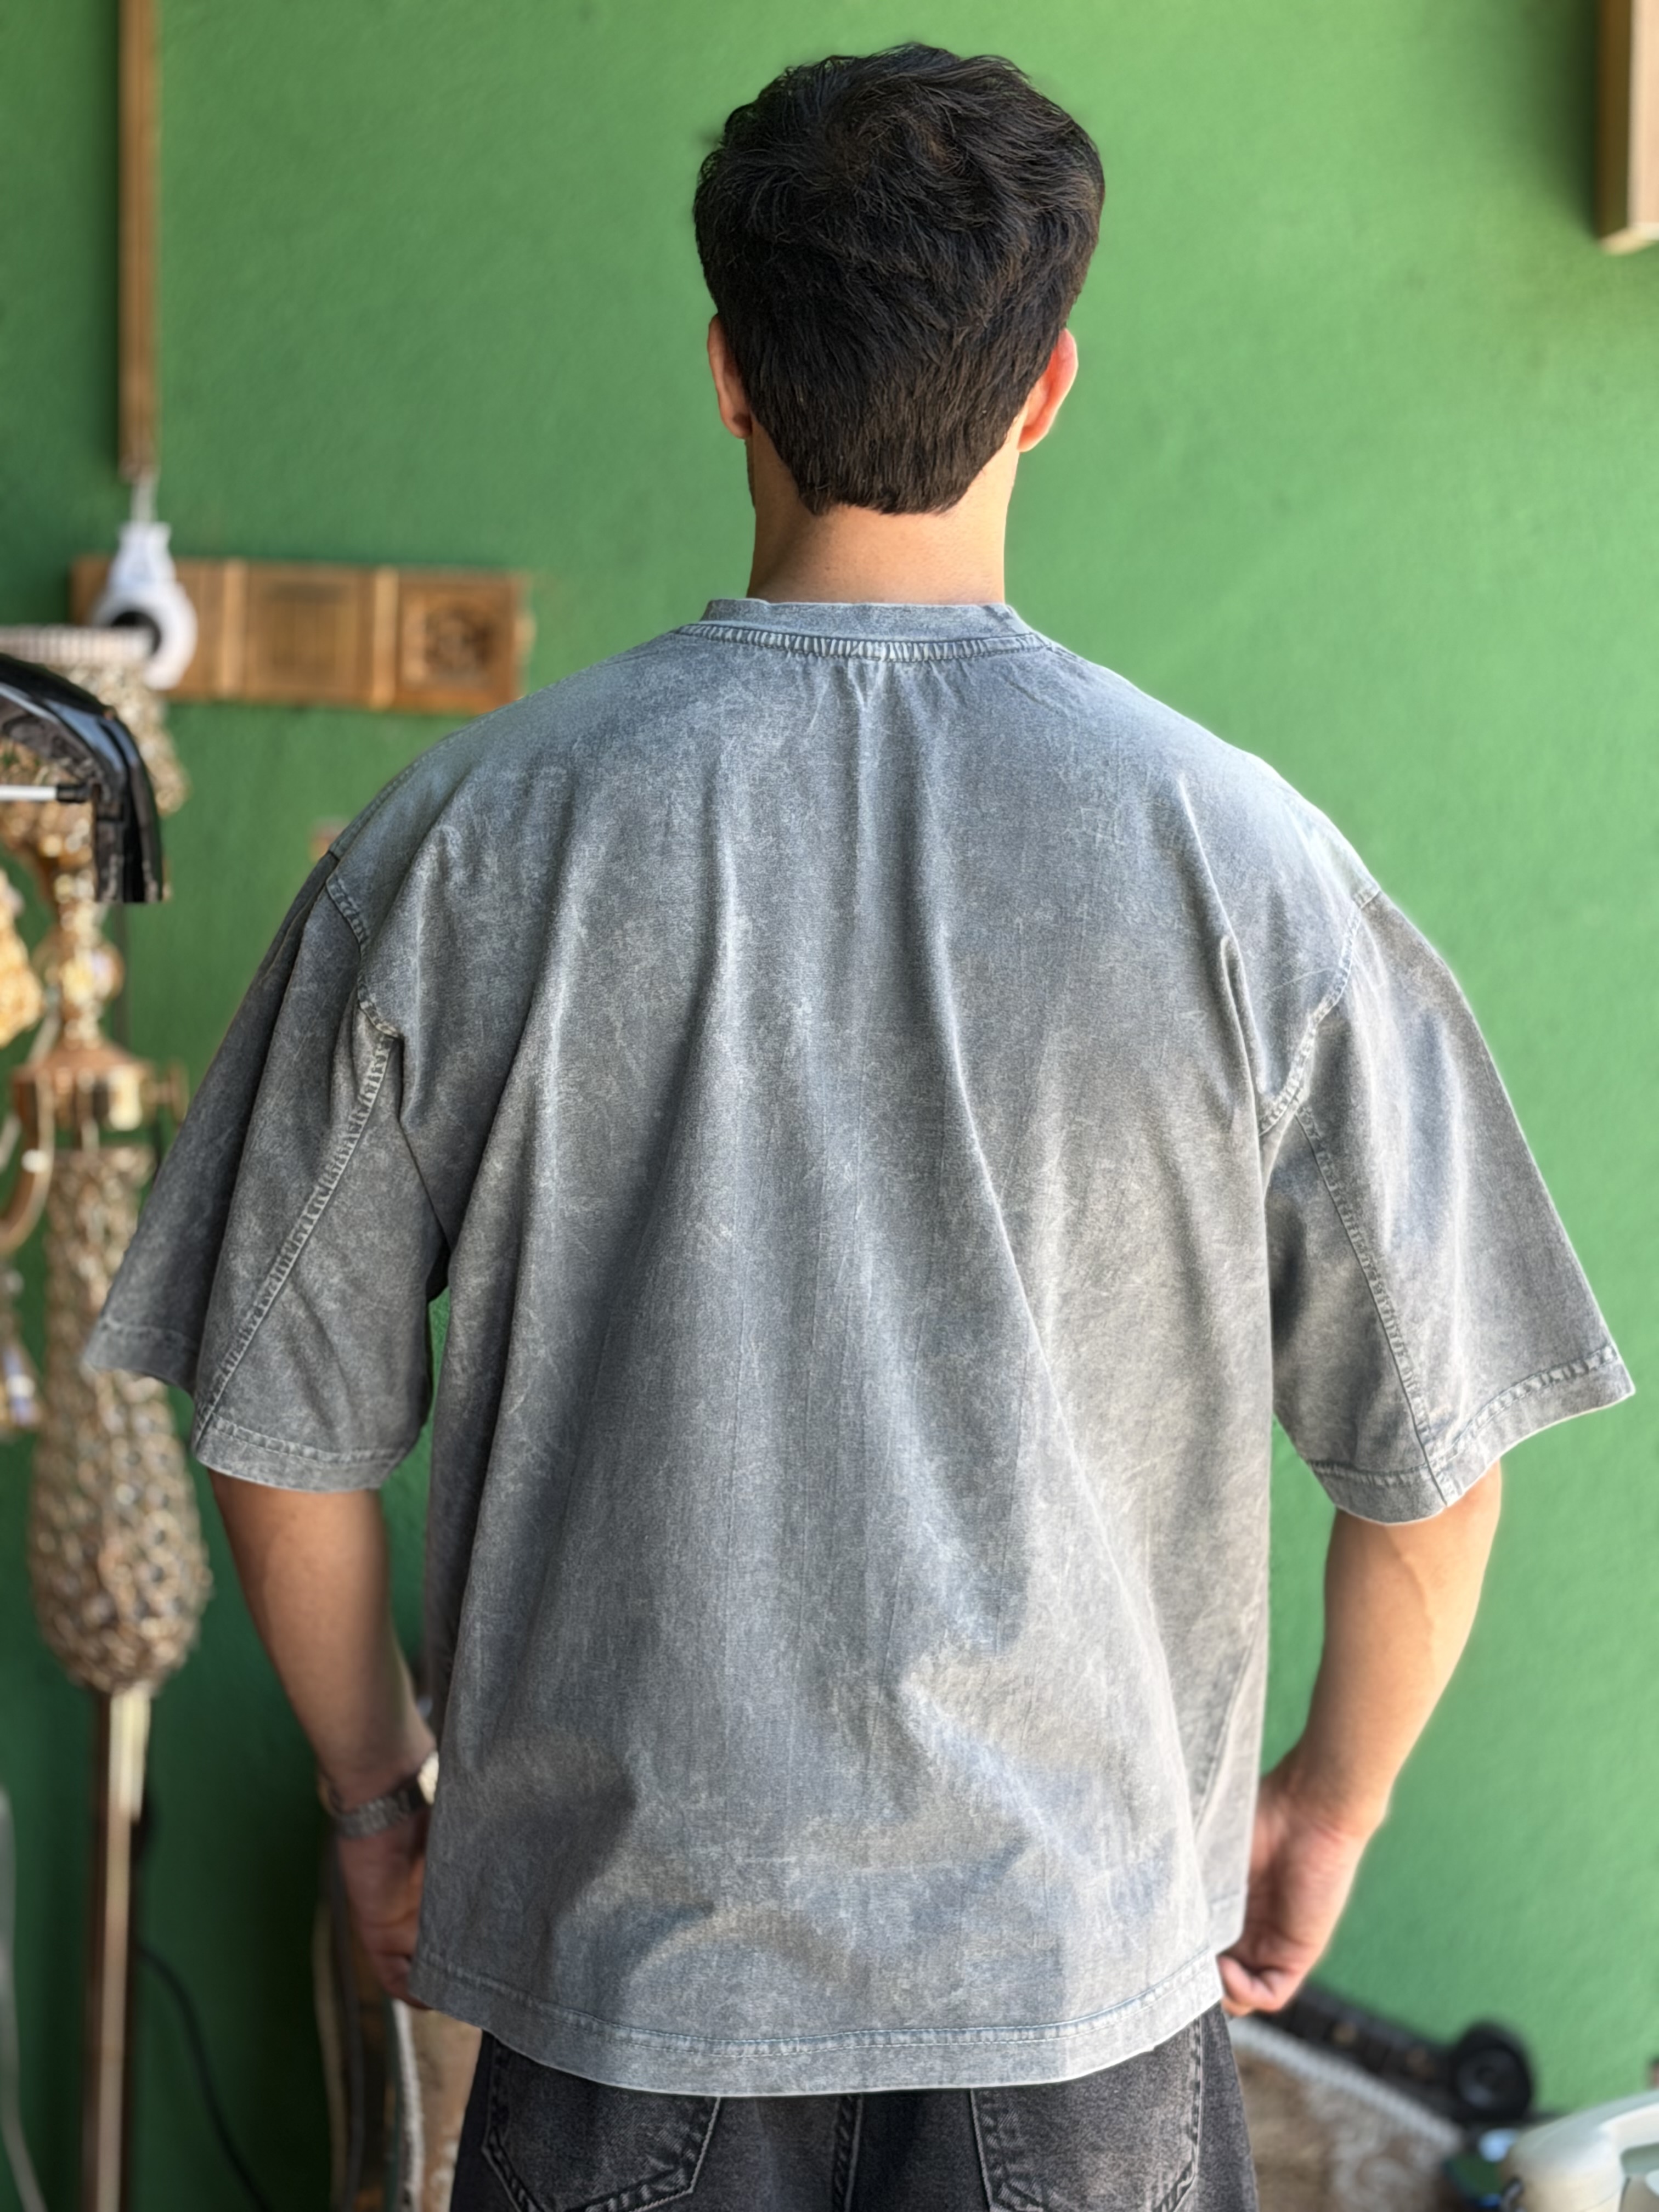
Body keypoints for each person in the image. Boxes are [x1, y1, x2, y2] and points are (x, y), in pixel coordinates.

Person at [88, 43, 1631, 2212]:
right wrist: (1323, 1810)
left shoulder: (462, 845)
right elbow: (1437, 1468)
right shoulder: (1255, 872)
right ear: (1049, 390)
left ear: (730, 372)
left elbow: (277, 1425)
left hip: (617, 2004)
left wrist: (376, 1803)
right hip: (1080, 2011)